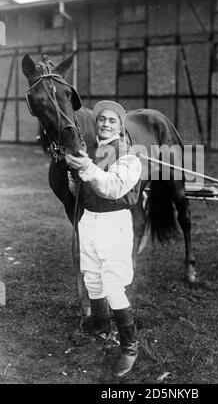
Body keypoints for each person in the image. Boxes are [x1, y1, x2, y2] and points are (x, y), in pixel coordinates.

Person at [65, 100, 142, 378]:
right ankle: (101, 327)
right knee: (92, 277)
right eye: (101, 119)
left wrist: (86, 168)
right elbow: (81, 193)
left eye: (112, 120)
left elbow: (112, 187)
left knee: (112, 283)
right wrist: (74, 176)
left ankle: (130, 346)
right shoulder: (89, 151)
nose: (105, 124)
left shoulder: (129, 155)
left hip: (114, 223)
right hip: (89, 220)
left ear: (120, 126)